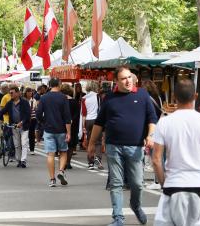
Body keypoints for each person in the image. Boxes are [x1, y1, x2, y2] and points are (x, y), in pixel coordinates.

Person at [88, 66, 157, 226]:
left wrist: (150, 135)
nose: (128, 81)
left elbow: (152, 118)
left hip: (135, 147)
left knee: (137, 184)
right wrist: (91, 143)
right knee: (116, 183)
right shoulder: (109, 98)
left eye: (129, 77)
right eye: (124, 78)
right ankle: (118, 218)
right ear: (116, 81)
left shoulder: (142, 94)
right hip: (113, 146)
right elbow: (99, 123)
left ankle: (136, 205)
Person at [152, 79, 200, 226]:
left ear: (175, 97)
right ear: (195, 96)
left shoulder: (164, 122)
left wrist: (164, 182)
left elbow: (156, 159)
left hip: (174, 184)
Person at [36, 78, 71, 187]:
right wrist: (68, 132)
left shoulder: (44, 98)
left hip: (48, 130)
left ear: (50, 85)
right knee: (63, 152)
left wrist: (43, 122)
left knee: (50, 154)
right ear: (59, 84)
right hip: (61, 130)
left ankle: (52, 179)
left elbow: (38, 113)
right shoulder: (63, 98)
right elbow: (67, 116)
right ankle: (61, 171)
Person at [0, 85, 31, 168]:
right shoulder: (9, 103)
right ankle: (18, 160)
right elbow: (2, 111)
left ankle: (23, 160)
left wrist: (22, 122)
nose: (11, 94)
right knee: (17, 145)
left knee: (24, 143)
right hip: (14, 126)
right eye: (10, 93)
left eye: (12, 93)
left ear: (17, 93)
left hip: (24, 126)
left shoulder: (24, 102)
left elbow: (28, 114)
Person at [82, 81, 103, 170]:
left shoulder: (84, 98)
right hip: (97, 120)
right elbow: (102, 109)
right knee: (98, 142)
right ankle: (98, 158)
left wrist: (83, 126)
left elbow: (83, 114)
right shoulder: (98, 96)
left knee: (90, 142)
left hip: (88, 121)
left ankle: (90, 163)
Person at [60, 84, 80, 170]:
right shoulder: (75, 102)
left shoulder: (60, 101)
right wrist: (72, 121)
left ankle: (62, 163)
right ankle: (68, 162)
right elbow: (77, 114)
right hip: (73, 125)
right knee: (71, 144)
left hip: (62, 124)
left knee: (63, 143)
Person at [24, 87, 37, 155]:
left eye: (31, 92)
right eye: (28, 92)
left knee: (31, 134)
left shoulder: (33, 100)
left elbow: (35, 108)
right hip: (25, 119)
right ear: (25, 93)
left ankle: (32, 149)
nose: (30, 93)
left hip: (32, 118)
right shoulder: (23, 100)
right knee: (24, 134)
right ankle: (24, 148)